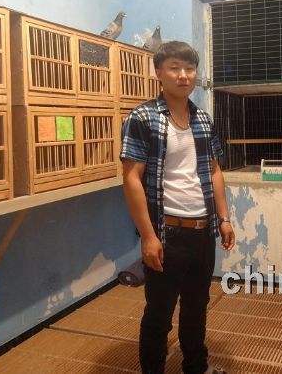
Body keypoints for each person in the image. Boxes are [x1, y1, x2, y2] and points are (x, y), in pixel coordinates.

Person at [120, 41, 235, 374]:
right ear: (159, 73)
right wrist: (148, 236)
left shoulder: (203, 119)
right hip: (167, 233)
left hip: (203, 232)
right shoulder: (143, 118)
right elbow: (131, 179)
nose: (183, 75)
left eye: (189, 68)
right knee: (159, 314)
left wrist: (224, 218)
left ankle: (196, 367)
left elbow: (214, 170)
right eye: (174, 68)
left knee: (197, 308)